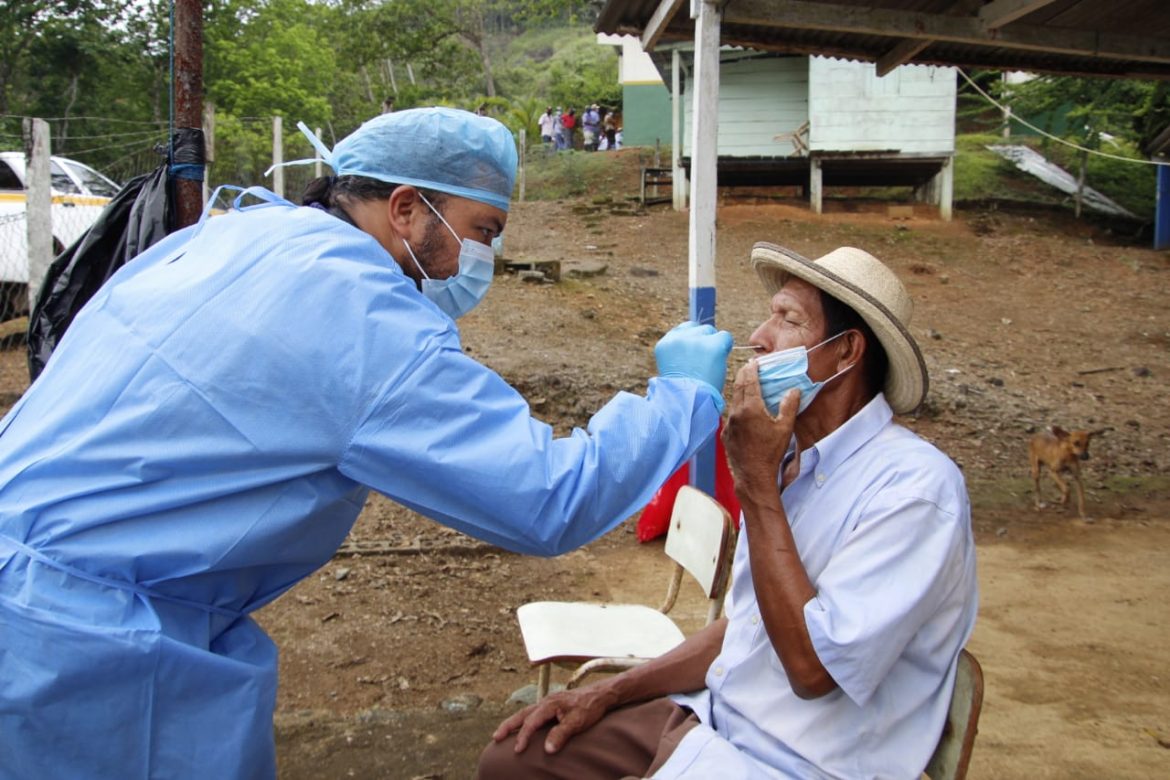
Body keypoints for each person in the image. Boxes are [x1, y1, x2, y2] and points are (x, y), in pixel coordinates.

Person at [0, 106, 734, 779]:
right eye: (479, 231)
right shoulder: (366, 317)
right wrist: (681, 398)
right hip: (83, 648)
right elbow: (548, 496)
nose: (476, 261)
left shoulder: (235, 233)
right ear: (407, 208)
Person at [479, 243, 979, 779]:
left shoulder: (914, 491)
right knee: (517, 762)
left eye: (786, 318)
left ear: (846, 351)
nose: (759, 338)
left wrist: (756, 485)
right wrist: (608, 692)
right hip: (714, 718)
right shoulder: (790, 458)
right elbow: (747, 627)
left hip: (792, 762)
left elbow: (813, 670)